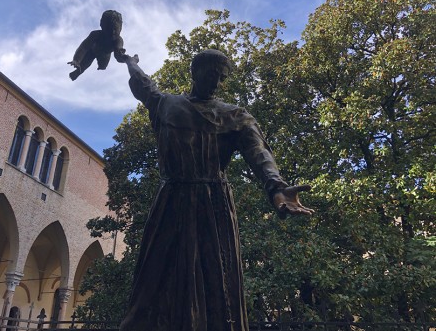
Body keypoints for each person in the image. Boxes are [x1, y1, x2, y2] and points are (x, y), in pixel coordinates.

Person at [119, 49, 314, 331]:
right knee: (153, 280)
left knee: (216, 279)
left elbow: (259, 154)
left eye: (221, 78)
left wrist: (277, 188)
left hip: (213, 204)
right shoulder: (167, 105)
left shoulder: (234, 116)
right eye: (212, 74)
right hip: (171, 201)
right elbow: (142, 84)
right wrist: (129, 62)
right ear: (194, 72)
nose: (217, 83)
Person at [68, 10, 126, 81]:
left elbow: (117, 54)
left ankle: (100, 66)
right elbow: (83, 47)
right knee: (85, 63)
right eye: (109, 29)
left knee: (103, 66)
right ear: (102, 25)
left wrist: (124, 57)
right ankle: (76, 73)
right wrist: (76, 60)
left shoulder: (118, 40)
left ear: (120, 28)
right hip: (93, 50)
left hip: (105, 54)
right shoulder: (95, 35)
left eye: (115, 29)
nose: (113, 32)